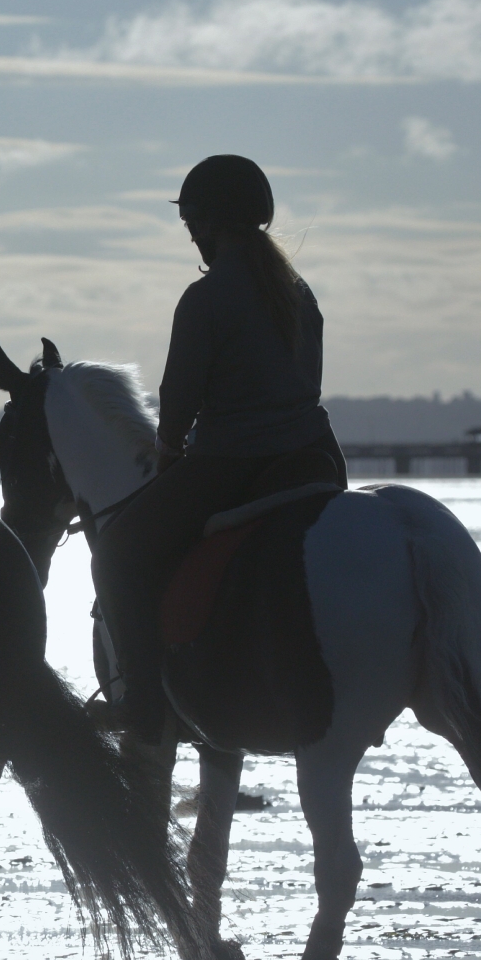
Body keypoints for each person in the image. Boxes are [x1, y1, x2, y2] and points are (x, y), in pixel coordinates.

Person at [90, 154, 348, 740]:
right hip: (316, 457)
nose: (192, 239)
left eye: (191, 227)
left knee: (117, 554)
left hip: (235, 460)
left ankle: (143, 703)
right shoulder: (297, 292)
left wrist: (169, 445)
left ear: (206, 225)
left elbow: (178, 397)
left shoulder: (206, 299)